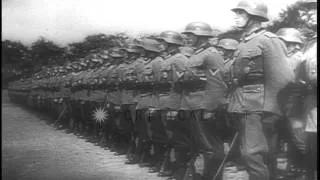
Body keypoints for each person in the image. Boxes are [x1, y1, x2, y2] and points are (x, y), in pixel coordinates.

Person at [228, 1, 294, 179]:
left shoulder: (268, 40)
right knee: (250, 154)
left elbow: (283, 78)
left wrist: (272, 110)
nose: (235, 17)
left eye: (240, 13)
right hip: (242, 106)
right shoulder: (244, 42)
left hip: (257, 107)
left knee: (253, 155)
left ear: (254, 17)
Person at [180, 22, 228, 180]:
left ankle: (213, 177)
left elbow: (217, 84)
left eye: (190, 35)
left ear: (200, 36)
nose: (187, 38)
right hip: (193, 104)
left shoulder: (211, 54)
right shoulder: (196, 54)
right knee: (201, 145)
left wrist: (210, 109)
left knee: (211, 147)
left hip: (204, 105)